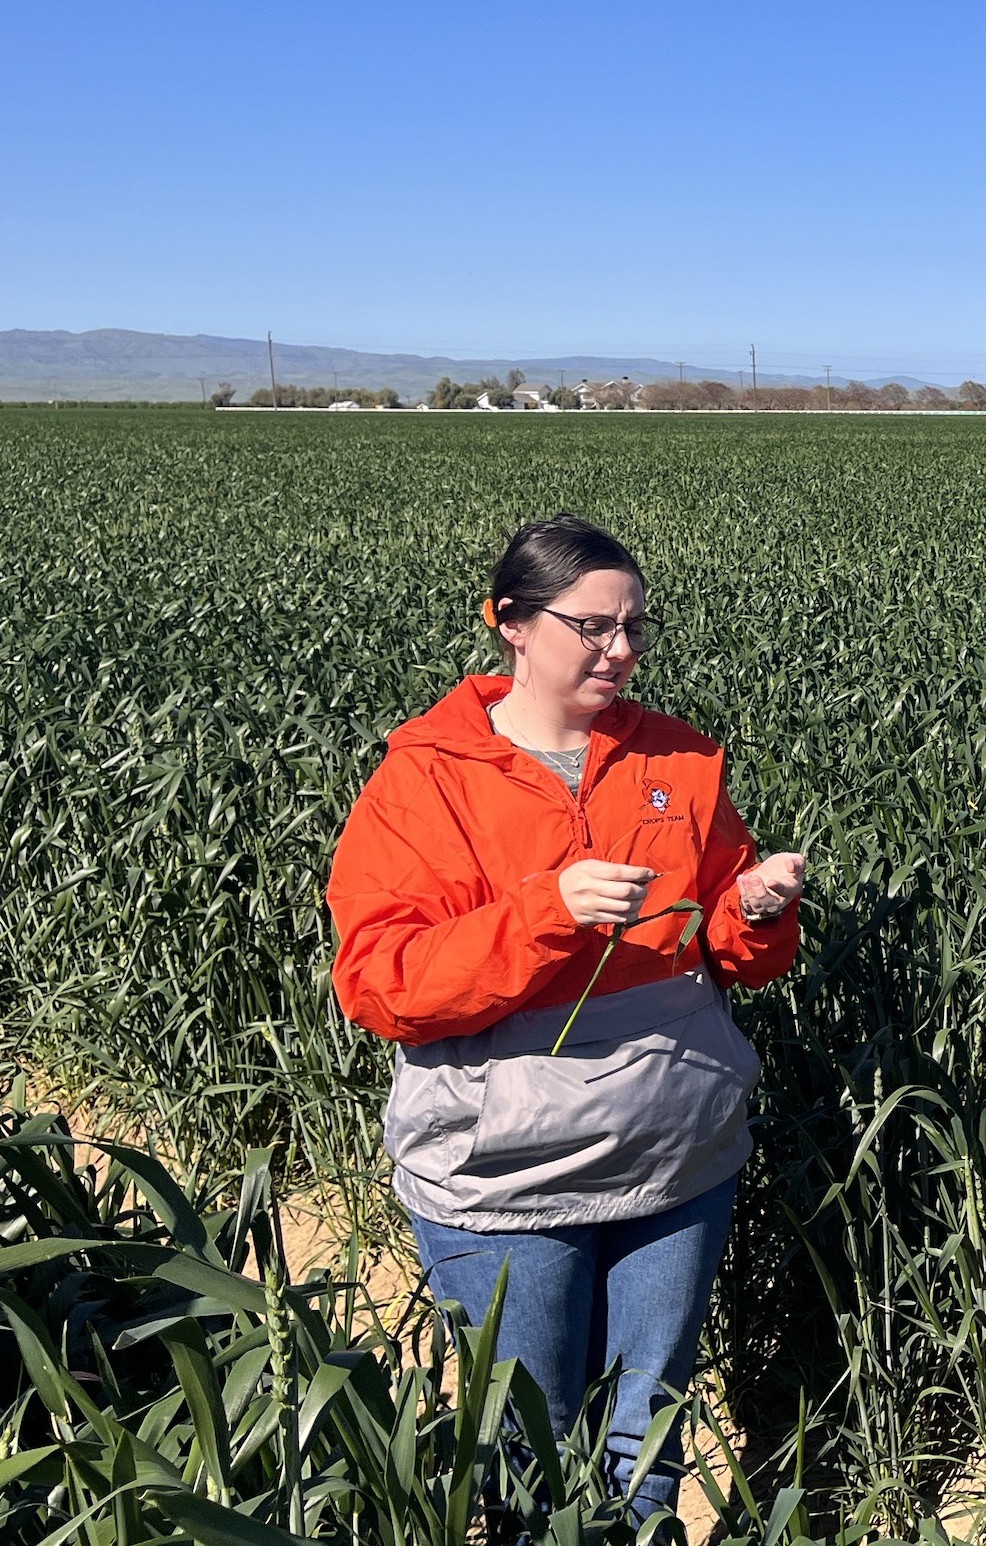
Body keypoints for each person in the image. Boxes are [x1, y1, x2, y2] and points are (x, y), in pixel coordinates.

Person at [326, 514, 805, 1520]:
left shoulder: (679, 761)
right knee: (526, 1450)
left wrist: (755, 907)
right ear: (510, 624)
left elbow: (722, 945)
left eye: (634, 628)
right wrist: (548, 912)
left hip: (677, 1152)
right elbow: (381, 982)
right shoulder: (423, 781)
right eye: (592, 628)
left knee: (646, 1437)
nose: (621, 651)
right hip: (504, 1170)